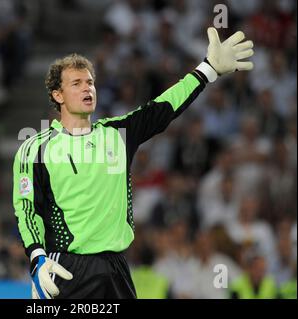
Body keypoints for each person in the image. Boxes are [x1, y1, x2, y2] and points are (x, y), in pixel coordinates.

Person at [13, 27, 255, 299]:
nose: (87, 88)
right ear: (58, 95)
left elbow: (163, 107)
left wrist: (207, 70)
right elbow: (26, 209)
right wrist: (37, 257)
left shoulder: (117, 134)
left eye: (90, 82)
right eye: (77, 83)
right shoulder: (36, 147)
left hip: (116, 268)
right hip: (65, 268)